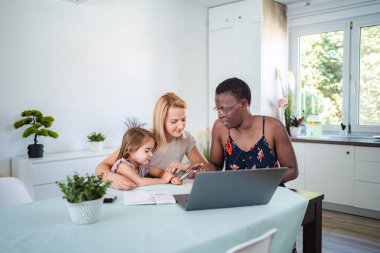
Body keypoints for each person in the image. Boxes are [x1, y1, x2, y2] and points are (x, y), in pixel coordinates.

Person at [95, 92, 207, 190]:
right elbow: (101, 167)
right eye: (174, 121)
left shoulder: (185, 138)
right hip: (142, 191)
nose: (181, 125)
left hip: (165, 191)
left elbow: (206, 167)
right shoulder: (145, 139)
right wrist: (112, 178)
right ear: (161, 120)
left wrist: (184, 167)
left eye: (183, 119)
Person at [204, 77, 298, 184]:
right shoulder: (220, 127)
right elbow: (216, 165)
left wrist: (260, 183)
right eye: (218, 109)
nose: (220, 115)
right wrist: (201, 169)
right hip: (233, 196)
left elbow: (292, 170)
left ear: (243, 104)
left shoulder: (273, 127)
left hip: (269, 196)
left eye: (225, 109)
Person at [110, 127, 181, 187]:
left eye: (151, 150)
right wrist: (164, 180)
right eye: (147, 151)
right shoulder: (122, 166)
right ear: (131, 150)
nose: (151, 154)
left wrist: (172, 178)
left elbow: (160, 172)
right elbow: (140, 182)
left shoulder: (143, 164)